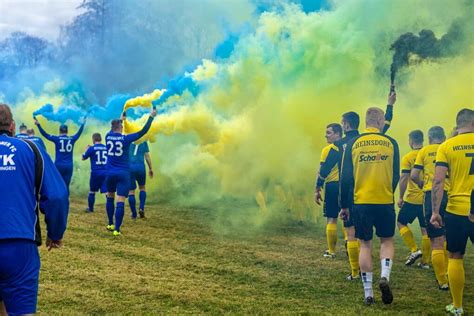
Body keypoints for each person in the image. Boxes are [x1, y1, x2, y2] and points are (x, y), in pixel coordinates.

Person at [317, 89, 396, 280]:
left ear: (344, 125)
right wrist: (390, 104)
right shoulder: (366, 140)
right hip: (365, 191)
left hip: (342, 188)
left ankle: (353, 270)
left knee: (348, 230)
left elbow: (326, 168)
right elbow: (386, 124)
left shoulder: (340, 144)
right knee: (356, 233)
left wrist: (318, 186)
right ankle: (359, 272)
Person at [0, 103, 69, 315]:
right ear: (12, 127)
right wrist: (55, 233)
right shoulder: (31, 149)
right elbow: (57, 196)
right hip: (19, 245)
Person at [339, 107, 400, 305]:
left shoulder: (353, 143)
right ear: (381, 122)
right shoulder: (391, 143)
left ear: (366, 122)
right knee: (387, 241)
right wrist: (389, 191)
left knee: (364, 244)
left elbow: (346, 178)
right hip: (384, 200)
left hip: (361, 201)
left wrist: (344, 205)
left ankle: (368, 294)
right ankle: (385, 276)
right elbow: (396, 174)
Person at [430, 109, 474, 316]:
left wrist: (435, 212)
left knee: (455, 255)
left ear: (458, 125)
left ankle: (457, 307)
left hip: (456, 209)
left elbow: (438, 181)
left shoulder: (446, 146)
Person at [105, 109, 156, 236]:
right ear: (121, 127)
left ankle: (110, 223)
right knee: (120, 200)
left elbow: (114, 128)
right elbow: (143, 131)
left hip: (110, 173)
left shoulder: (107, 136)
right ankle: (117, 229)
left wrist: (121, 119)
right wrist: (151, 117)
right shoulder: (125, 139)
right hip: (123, 173)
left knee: (110, 197)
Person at [411, 126, 450, 290]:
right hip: (450, 194)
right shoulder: (448, 147)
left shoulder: (424, 151)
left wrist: (423, 185)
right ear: (444, 136)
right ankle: (449, 271)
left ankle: (442, 281)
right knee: (447, 237)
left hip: (432, 195)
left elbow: (413, 175)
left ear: (429, 138)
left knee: (435, 239)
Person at [397, 130, 430, 268]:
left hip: (412, 199)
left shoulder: (408, 157)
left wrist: (400, 197)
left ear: (411, 141)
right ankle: (425, 263)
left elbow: (404, 178)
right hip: (427, 199)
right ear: (422, 140)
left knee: (401, 222)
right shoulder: (429, 154)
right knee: (425, 230)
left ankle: (414, 249)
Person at [34, 117, 86, 191]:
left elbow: (45, 134)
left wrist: (38, 125)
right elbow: (78, 133)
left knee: (57, 184)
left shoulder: (57, 139)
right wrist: (83, 124)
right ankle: (66, 201)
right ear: (67, 131)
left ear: (59, 131)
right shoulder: (72, 138)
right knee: (66, 186)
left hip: (59, 165)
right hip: (69, 165)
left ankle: (58, 201)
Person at [315, 123, 343, 258]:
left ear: (338, 134)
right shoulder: (348, 147)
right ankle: (351, 250)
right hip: (346, 186)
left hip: (332, 186)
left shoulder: (328, 150)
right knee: (347, 219)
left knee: (332, 219)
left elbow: (322, 171)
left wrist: (317, 188)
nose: (325, 135)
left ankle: (331, 251)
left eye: (329, 132)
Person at [82, 133, 108, 213]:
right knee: (107, 192)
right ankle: (110, 209)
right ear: (101, 139)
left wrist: (86, 149)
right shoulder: (106, 148)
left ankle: (90, 209)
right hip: (105, 172)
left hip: (95, 173)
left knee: (92, 191)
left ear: (93, 139)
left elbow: (83, 158)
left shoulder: (92, 148)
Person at [128, 141, 154, 219]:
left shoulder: (128, 139)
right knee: (142, 188)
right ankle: (141, 208)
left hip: (130, 167)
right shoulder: (143, 141)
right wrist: (150, 168)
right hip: (141, 167)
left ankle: (134, 214)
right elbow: (147, 156)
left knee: (131, 191)